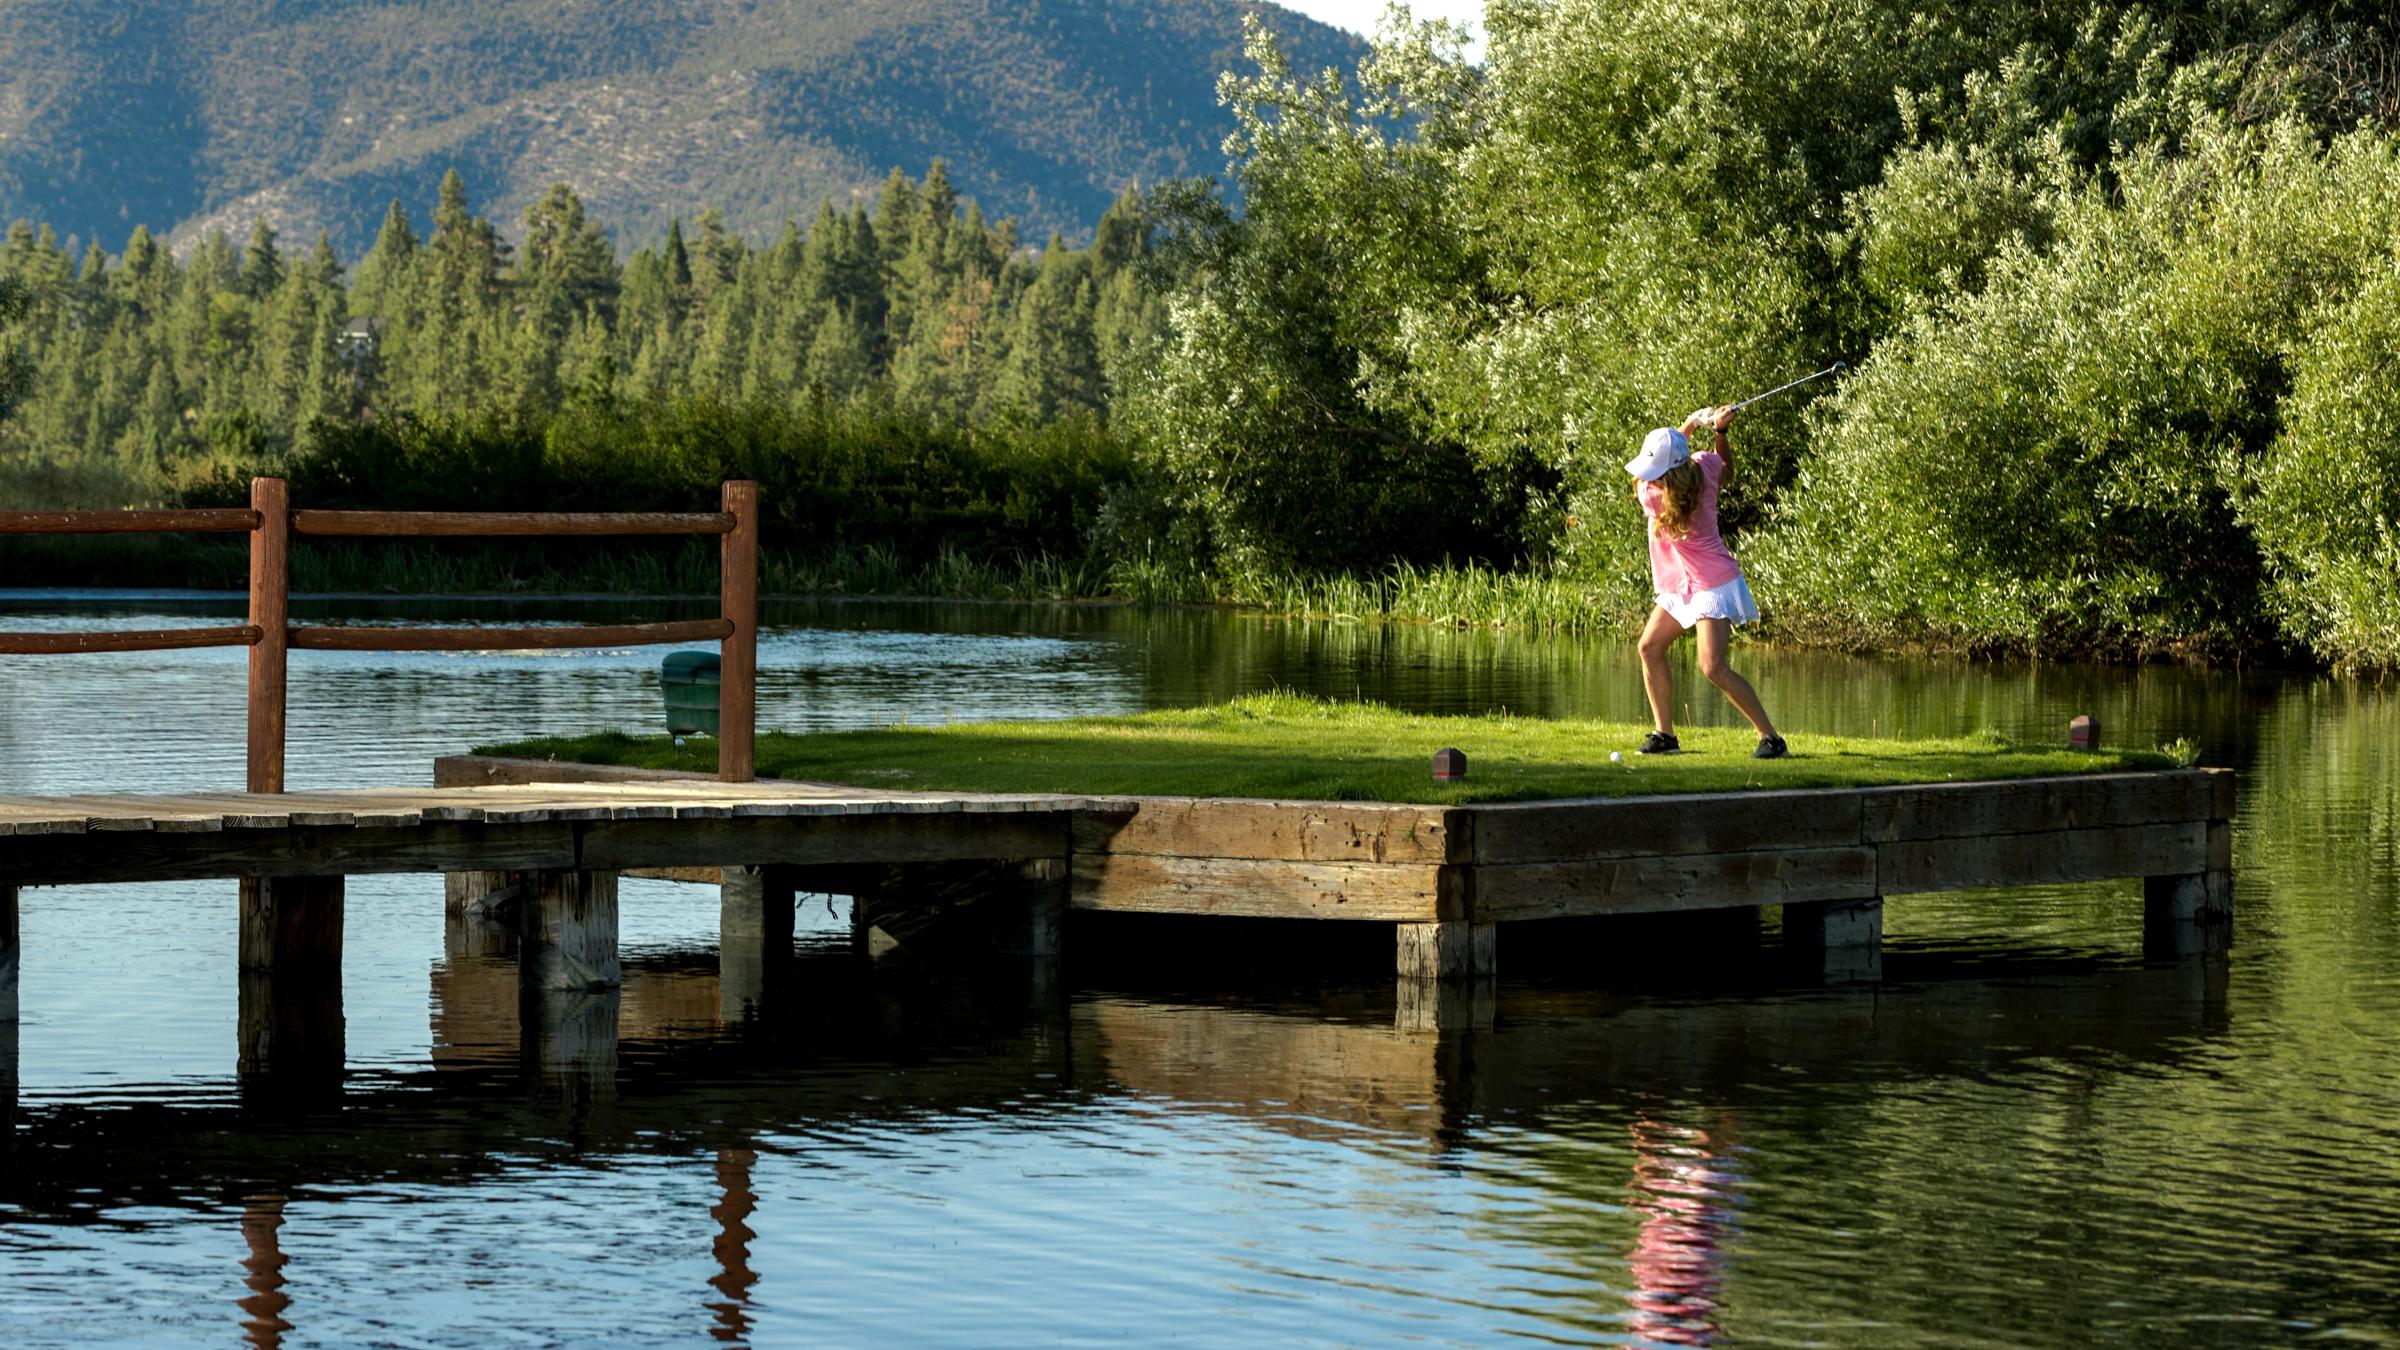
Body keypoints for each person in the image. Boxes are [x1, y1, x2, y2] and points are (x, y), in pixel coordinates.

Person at [1622, 405, 1785, 758]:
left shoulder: (1652, 496)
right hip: (1683, 584)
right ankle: (1665, 736)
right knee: (1649, 648)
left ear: (1669, 473)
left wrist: (1692, 423)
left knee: (1712, 666)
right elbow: (1725, 472)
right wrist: (1720, 431)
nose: (1649, 475)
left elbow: (1641, 480)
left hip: (1711, 583)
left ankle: (1771, 738)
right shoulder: (1705, 469)